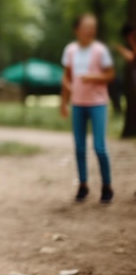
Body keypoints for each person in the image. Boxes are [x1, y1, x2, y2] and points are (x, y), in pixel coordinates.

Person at [60, 13, 115, 204]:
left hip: (98, 103)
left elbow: (110, 74)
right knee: (79, 147)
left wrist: (93, 77)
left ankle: (107, 185)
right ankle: (83, 184)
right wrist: (64, 99)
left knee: (99, 147)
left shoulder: (100, 50)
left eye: (93, 26)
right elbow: (66, 76)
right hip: (78, 104)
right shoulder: (71, 50)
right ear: (77, 29)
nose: (90, 30)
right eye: (86, 26)